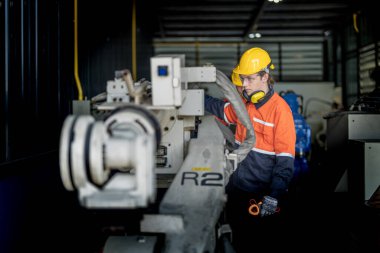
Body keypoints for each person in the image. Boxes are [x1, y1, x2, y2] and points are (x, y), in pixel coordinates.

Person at [205, 47, 296, 252]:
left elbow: (285, 161)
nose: (244, 85)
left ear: (265, 76)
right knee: (234, 240)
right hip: (235, 191)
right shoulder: (244, 105)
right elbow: (220, 109)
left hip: (260, 197)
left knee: (256, 243)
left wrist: (274, 195)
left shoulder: (280, 111)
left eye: (249, 79)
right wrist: (191, 98)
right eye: (242, 79)